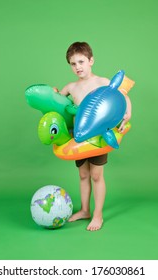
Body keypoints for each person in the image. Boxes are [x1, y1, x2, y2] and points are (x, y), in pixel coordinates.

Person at [60, 42, 132, 231]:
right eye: (73, 64)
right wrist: (53, 94)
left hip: (99, 138)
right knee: (83, 174)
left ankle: (97, 215)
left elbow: (123, 96)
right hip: (79, 138)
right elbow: (57, 103)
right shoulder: (71, 86)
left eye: (81, 62)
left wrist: (128, 114)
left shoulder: (102, 82)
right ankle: (85, 210)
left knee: (96, 175)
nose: (78, 67)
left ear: (91, 60)